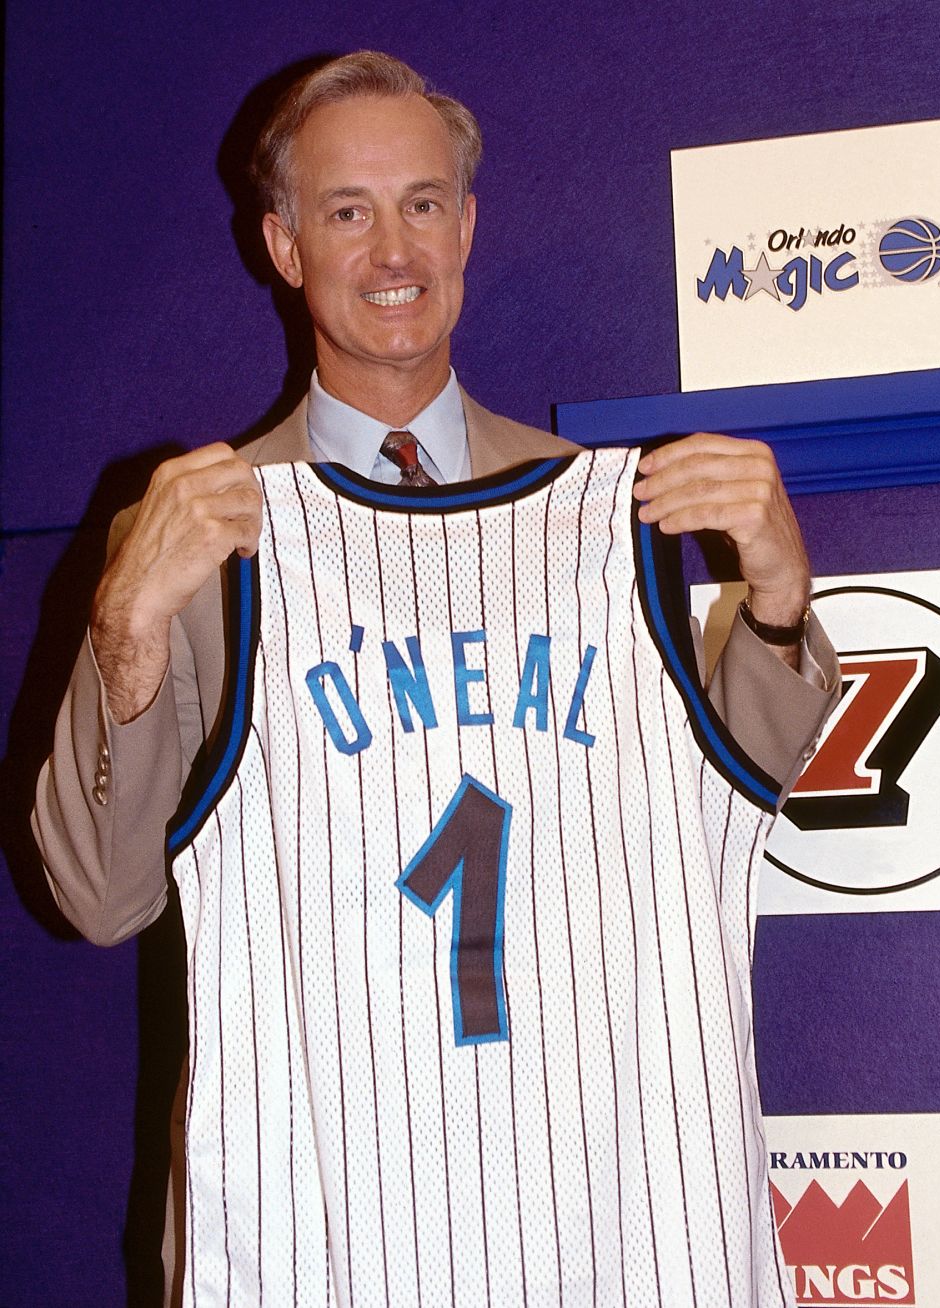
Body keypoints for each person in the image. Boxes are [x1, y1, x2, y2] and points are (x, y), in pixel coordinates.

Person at [34, 51, 837, 1306]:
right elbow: (96, 897)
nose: (391, 247)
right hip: (323, 1233)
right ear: (284, 247)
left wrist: (781, 606)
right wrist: (128, 621)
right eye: (347, 212)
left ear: (465, 227)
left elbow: (715, 800)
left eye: (421, 204)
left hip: (607, 1222)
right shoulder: (206, 534)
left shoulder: (605, 516)